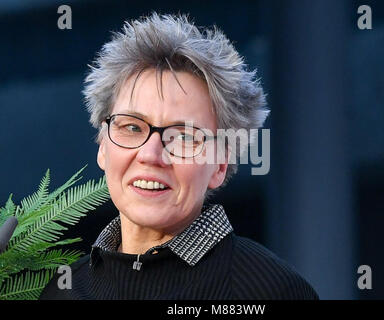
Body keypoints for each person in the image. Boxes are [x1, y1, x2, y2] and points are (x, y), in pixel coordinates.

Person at [40, 12, 318, 300]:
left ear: (220, 165)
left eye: (183, 137)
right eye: (132, 127)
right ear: (102, 145)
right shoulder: (65, 290)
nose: (151, 154)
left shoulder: (269, 291)